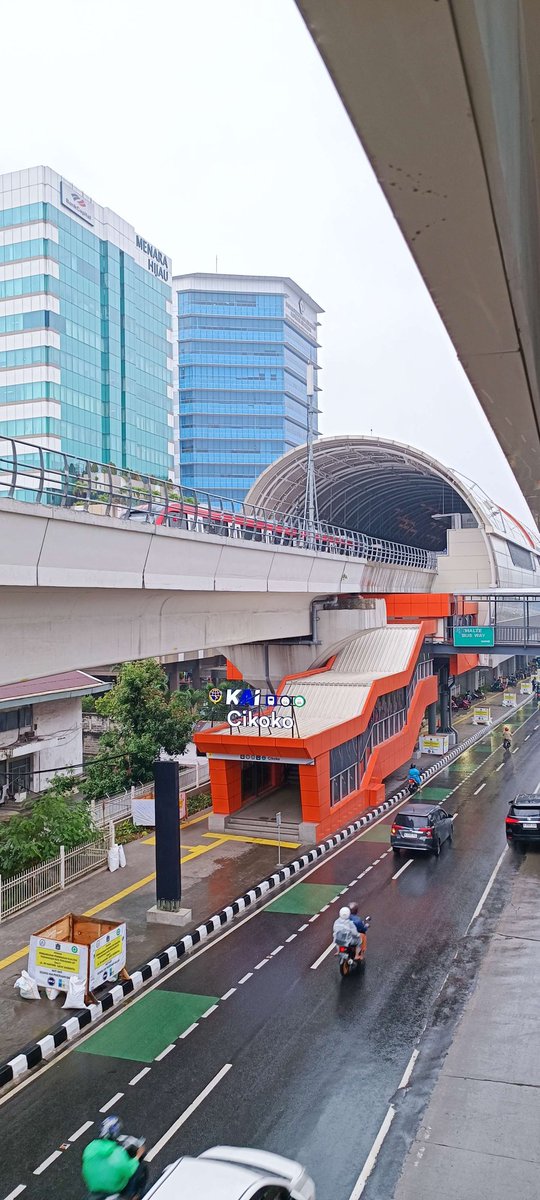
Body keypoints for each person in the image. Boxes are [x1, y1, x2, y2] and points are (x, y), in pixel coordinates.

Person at [82, 1116, 148, 1199]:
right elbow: (129, 1170)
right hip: (113, 1189)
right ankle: (134, 1197)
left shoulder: (90, 1147)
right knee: (140, 1168)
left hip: (93, 1187)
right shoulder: (117, 1152)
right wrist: (137, 1156)